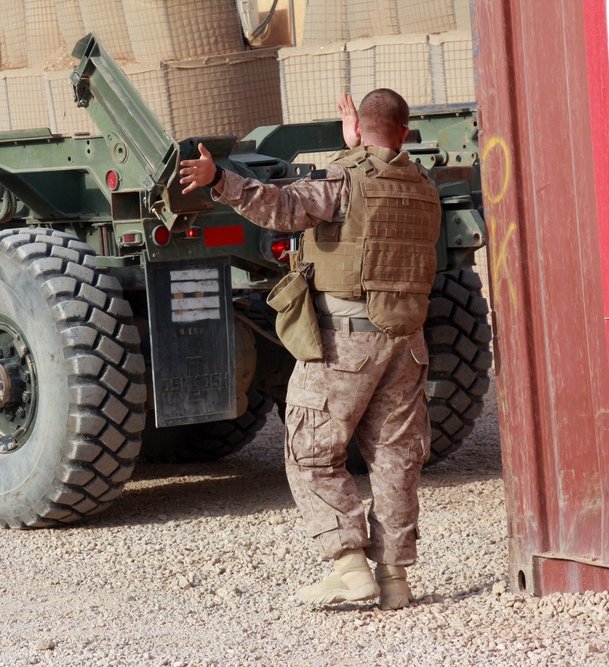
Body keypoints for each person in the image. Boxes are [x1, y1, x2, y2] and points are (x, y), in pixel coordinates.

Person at [179, 89, 441, 609]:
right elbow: (376, 177)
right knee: (394, 461)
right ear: (405, 134)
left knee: (311, 454)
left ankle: (349, 568)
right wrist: (358, 146)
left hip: (346, 343)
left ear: (360, 131)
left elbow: (282, 207)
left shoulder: (343, 179)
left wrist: (219, 181)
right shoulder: (422, 186)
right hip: (407, 344)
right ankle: (394, 579)